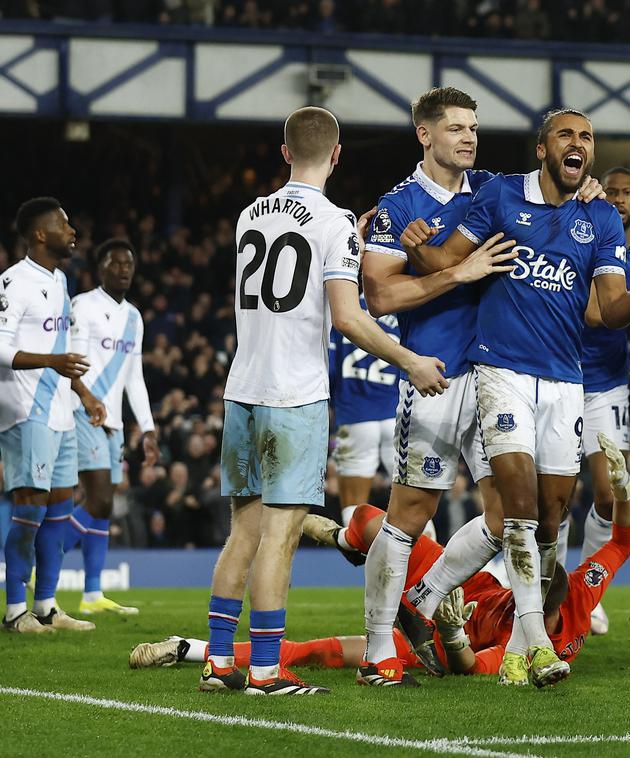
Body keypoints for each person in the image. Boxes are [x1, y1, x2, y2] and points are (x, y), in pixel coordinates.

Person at [200, 106, 449, 696]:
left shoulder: (247, 216)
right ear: (337, 155)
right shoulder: (335, 222)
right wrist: (409, 360)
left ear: (284, 152)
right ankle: (264, 670)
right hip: (294, 396)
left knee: (243, 531)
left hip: (243, 390)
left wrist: (346, 236)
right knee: (280, 536)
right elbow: (346, 316)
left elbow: (297, 249)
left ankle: (218, 662)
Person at [398, 108, 630, 688]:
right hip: (502, 369)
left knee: (552, 518)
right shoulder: (500, 197)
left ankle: (422, 598)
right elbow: (449, 261)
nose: (578, 143)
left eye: (586, 137)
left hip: (567, 380)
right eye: (566, 134)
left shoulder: (601, 219)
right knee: (519, 505)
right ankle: (535, 644)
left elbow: (610, 311)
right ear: (542, 149)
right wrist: (416, 246)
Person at [359, 88, 603, 685]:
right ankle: (375, 652)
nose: (468, 138)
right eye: (455, 129)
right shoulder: (398, 208)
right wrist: (455, 273)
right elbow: (381, 297)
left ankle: (425, 597)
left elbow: (555, 193)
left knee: (507, 516)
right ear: (425, 135)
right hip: (437, 374)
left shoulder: (498, 189)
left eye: (474, 127)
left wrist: (586, 193)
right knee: (410, 514)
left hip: (502, 377)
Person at [135, 432, 630, 682]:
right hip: (465, 588)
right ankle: (344, 541)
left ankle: (189, 648)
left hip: (441, 640)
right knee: (376, 520)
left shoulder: (528, 641)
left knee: (318, 652)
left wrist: (451, 631)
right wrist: (622, 488)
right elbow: (622, 541)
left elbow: (469, 668)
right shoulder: (580, 588)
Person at [1, 197, 106, 634]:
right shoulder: (13, 281)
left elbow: (60, 357)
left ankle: (45, 605)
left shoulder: (60, 281)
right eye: (64, 224)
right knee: (30, 508)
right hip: (27, 411)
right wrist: (51, 362)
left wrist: (83, 392)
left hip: (61, 411)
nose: (72, 231)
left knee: (59, 510)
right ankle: (13, 612)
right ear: (40, 234)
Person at [570, 165, 630, 636]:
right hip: (562, 376)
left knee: (609, 492)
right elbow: (602, 309)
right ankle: (548, 584)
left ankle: (588, 588)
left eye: (628, 192)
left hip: (607, 381)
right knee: (556, 494)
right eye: (615, 192)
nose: (620, 199)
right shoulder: (590, 232)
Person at [62, 239, 159, 616]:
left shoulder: (134, 317)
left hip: (114, 421)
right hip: (84, 412)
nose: (124, 269)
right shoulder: (83, 305)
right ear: (100, 268)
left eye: (129, 263)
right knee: (100, 498)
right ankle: (44, 561)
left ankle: (91, 594)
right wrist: (85, 398)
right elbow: (71, 363)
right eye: (115, 262)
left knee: (101, 509)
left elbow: (134, 377)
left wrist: (147, 428)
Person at [327, 298, 401, 526]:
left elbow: (329, 368)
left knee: (353, 506)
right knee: (413, 505)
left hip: (355, 416)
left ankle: (366, 558)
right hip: (396, 417)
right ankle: (423, 559)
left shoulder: (343, 310)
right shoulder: (400, 310)